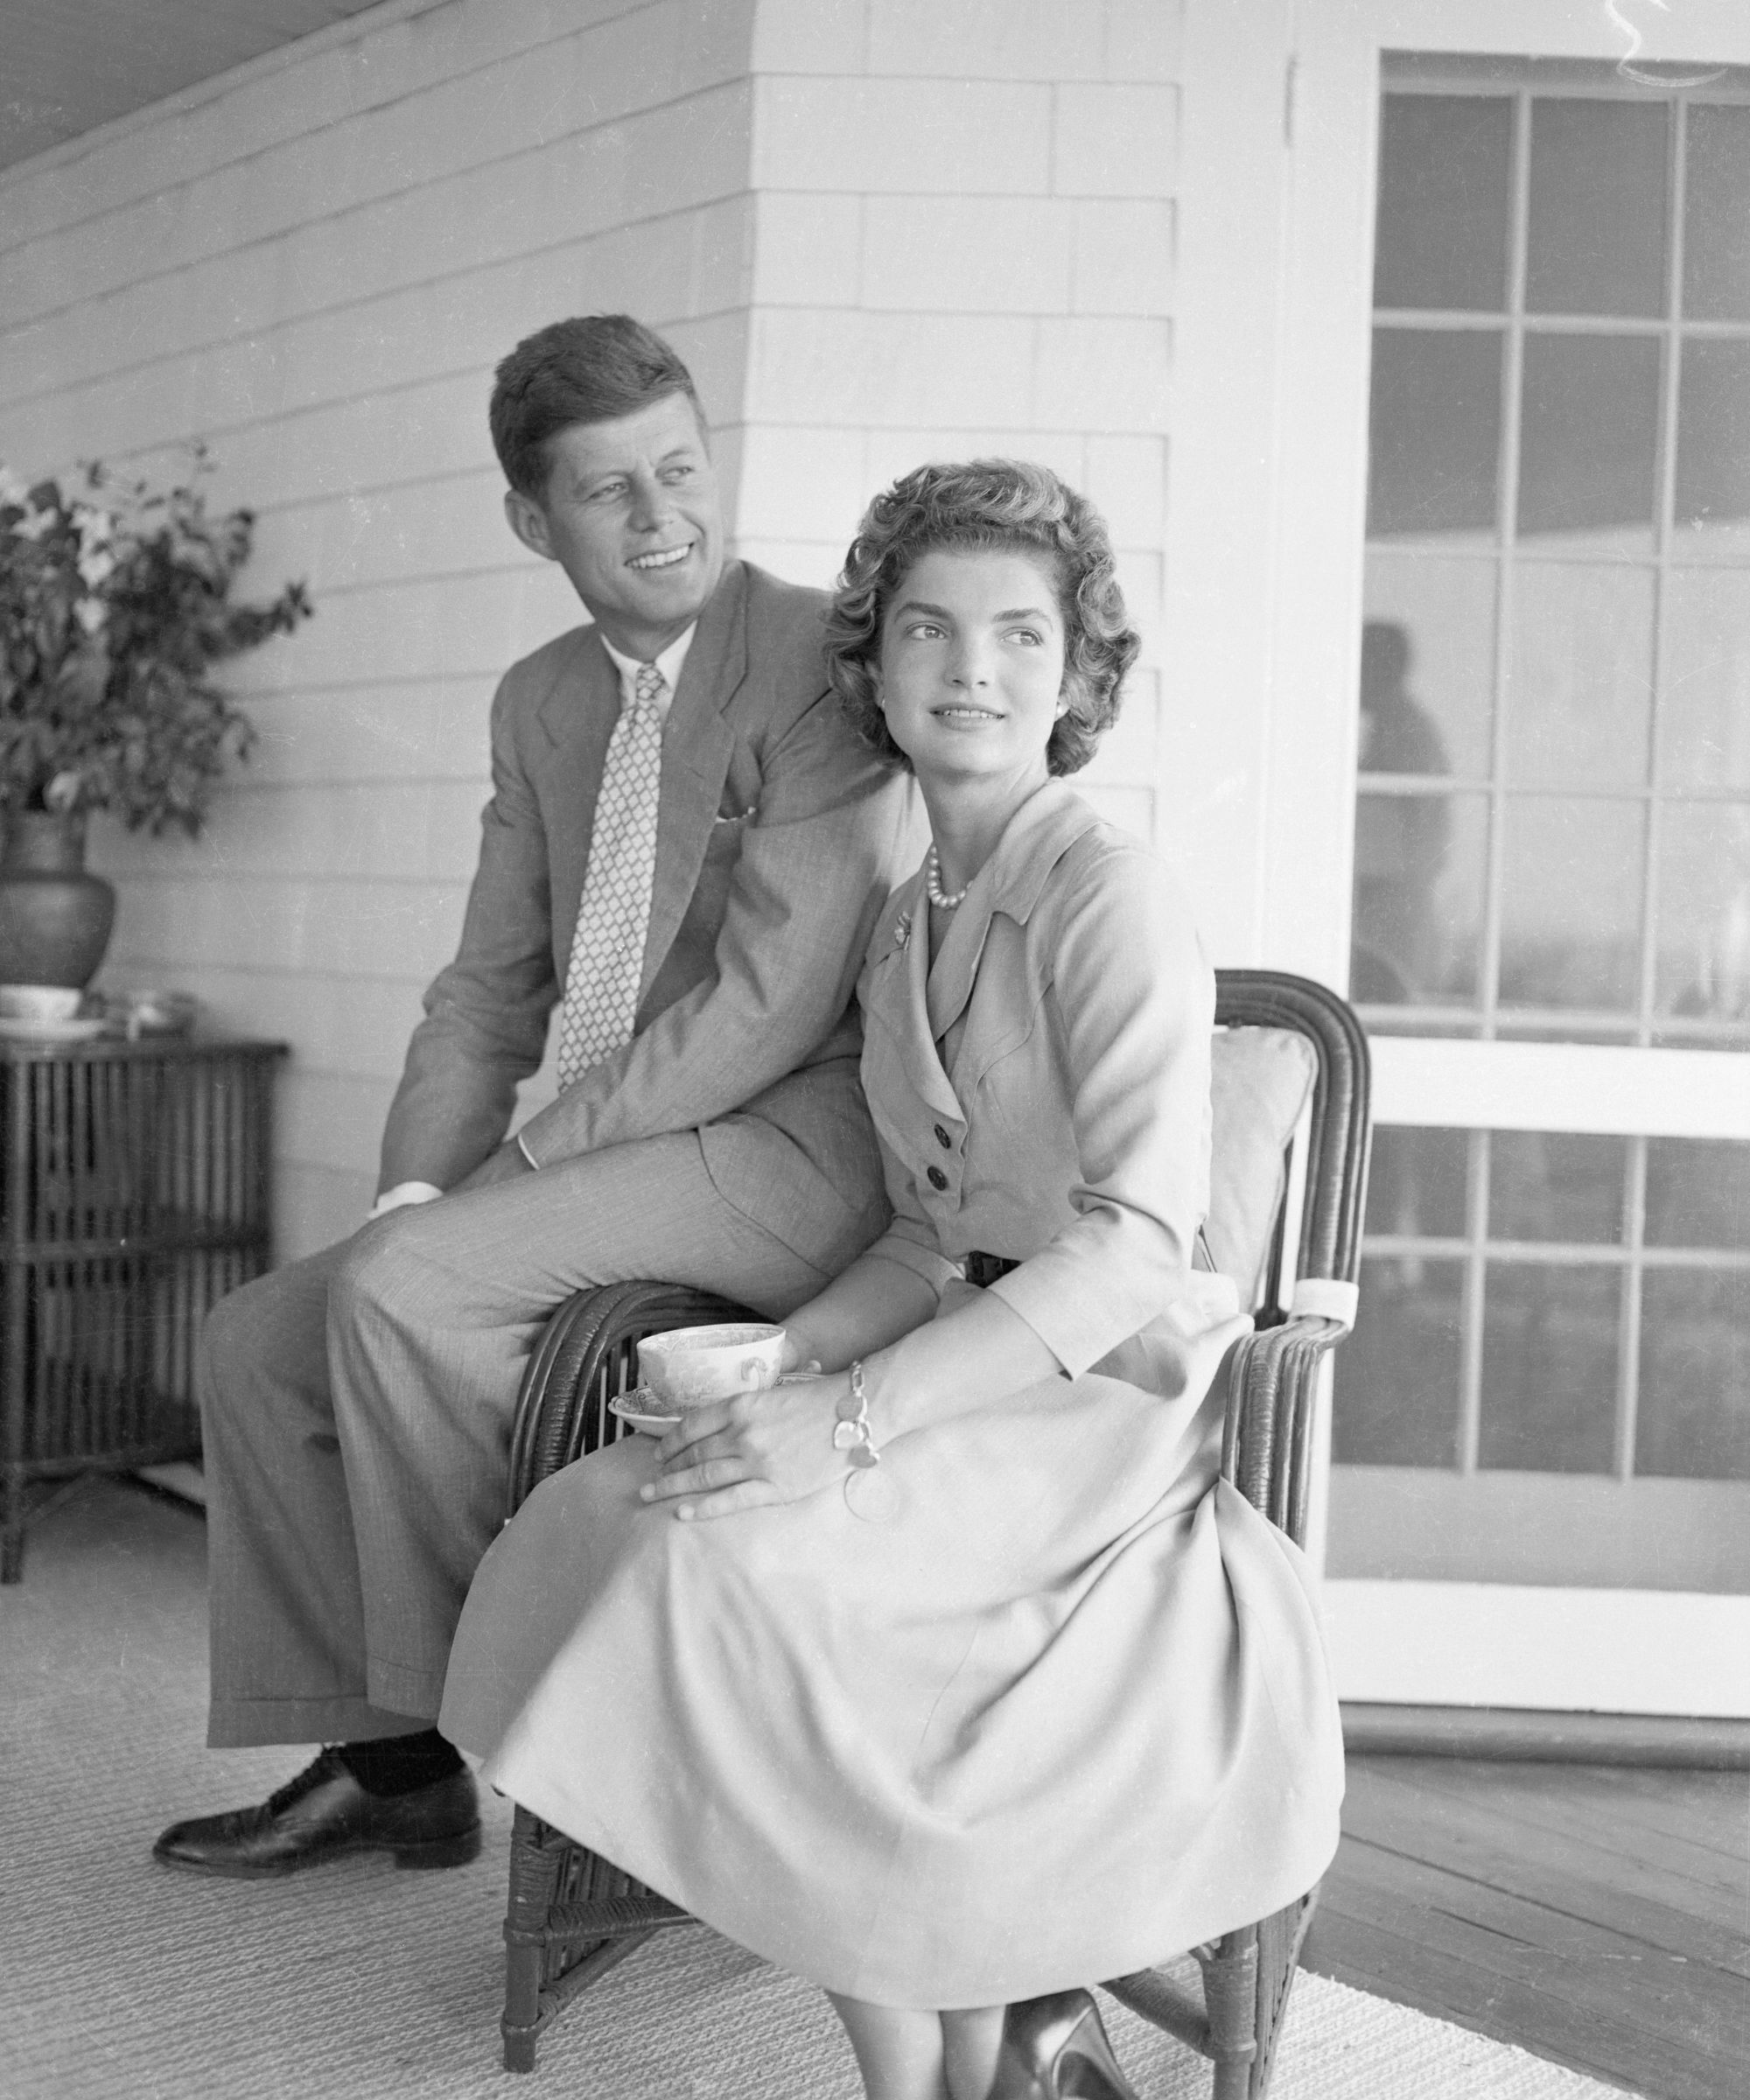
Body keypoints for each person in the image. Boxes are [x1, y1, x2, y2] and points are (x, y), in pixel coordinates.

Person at [439, 460, 1345, 2100]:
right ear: (872, 671)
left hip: (1105, 1400)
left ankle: (951, 2055)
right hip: (950, 1356)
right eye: (925, 630)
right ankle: (961, 2055)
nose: (969, 668)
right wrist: (783, 1357)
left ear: (1077, 678)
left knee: (752, 1561)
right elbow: (929, 1238)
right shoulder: (898, 911)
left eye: (1017, 634)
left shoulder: (1104, 889)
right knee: (639, 1506)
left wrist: (846, 1422)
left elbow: (1135, 1241)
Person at [151, 316, 919, 1880]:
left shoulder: (816, 666)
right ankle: (397, 1764)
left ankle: (551, 1744)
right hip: (594, 1140)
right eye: (609, 491)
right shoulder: (541, 699)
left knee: (411, 1295)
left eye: (682, 470)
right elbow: (488, 987)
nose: (662, 519)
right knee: (258, 1341)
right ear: (533, 522)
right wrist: (415, 1191)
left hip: (787, 1140)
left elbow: (762, 1010)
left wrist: (504, 1179)